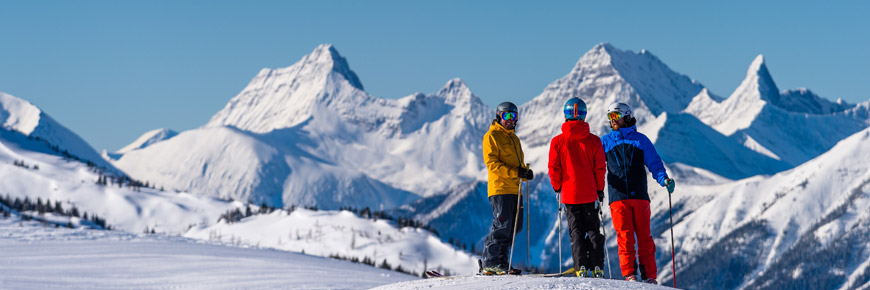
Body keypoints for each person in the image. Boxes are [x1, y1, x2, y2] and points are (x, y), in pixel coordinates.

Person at [601, 102, 676, 284]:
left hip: (640, 196)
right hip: (618, 198)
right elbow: (594, 166)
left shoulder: (641, 140)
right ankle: (630, 275)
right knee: (625, 237)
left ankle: (649, 276)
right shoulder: (605, 142)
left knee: (644, 237)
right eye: (610, 117)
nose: (613, 121)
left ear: (626, 116)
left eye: (615, 116)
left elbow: (654, 164)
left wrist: (663, 179)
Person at [547, 97, 607, 278]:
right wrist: (599, 190)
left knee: (576, 232)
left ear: (565, 116)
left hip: (569, 195)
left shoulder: (557, 142)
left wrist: (557, 187)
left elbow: (554, 168)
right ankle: (597, 266)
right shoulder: (594, 141)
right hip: (589, 193)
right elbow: (600, 168)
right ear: (584, 115)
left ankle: (581, 267)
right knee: (593, 230)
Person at [481, 101, 534, 275]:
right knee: (502, 225)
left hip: (514, 189)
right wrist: (515, 172)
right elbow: (493, 164)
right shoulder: (492, 136)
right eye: (506, 116)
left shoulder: (514, 139)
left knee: (514, 227)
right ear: (499, 116)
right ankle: (491, 261)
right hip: (500, 188)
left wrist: (524, 173)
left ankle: (502, 262)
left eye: (514, 116)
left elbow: (516, 164)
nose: (510, 120)